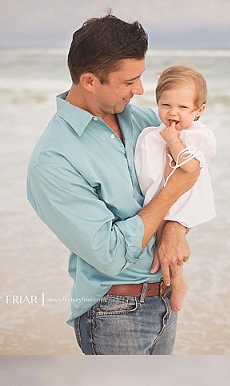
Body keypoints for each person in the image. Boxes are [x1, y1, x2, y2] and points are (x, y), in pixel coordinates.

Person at [26, 14, 197, 354]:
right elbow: (112, 253)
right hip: (113, 314)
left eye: (141, 77)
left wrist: (177, 226)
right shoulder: (52, 162)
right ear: (89, 80)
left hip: (165, 302)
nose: (141, 90)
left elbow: (195, 169)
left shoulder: (147, 121)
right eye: (129, 81)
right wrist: (174, 189)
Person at [134, 63, 218, 313]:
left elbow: (191, 167)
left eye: (182, 107)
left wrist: (172, 141)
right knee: (160, 240)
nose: (173, 112)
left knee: (168, 239)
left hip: (185, 197)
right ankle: (168, 281)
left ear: (198, 110)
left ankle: (178, 283)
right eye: (166, 105)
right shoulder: (152, 134)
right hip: (162, 195)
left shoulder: (197, 135)